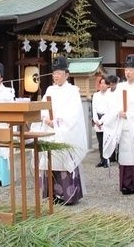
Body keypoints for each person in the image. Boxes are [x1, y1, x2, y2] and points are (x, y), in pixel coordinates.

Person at [102, 54, 134, 195]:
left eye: (131, 70)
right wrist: (117, 113)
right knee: (125, 155)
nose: (128, 72)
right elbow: (112, 105)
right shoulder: (120, 87)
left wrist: (130, 114)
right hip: (124, 126)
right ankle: (126, 184)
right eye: (126, 69)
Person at [39, 56, 88, 204]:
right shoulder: (50, 90)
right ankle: (54, 194)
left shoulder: (72, 91)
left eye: (59, 73)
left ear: (67, 74)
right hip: (51, 129)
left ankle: (68, 195)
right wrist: (46, 118)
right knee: (51, 161)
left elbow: (74, 113)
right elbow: (43, 106)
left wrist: (59, 122)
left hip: (65, 131)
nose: (56, 76)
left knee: (64, 160)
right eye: (54, 73)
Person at [91, 76, 110, 168]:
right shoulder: (96, 95)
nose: (102, 85)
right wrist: (96, 120)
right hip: (97, 118)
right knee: (100, 141)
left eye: (104, 83)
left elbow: (109, 109)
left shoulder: (110, 95)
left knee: (106, 141)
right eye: (101, 83)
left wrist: (102, 121)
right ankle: (102, 159)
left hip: (106, 119)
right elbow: (94, 108)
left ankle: (107, 159)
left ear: (108, 85)